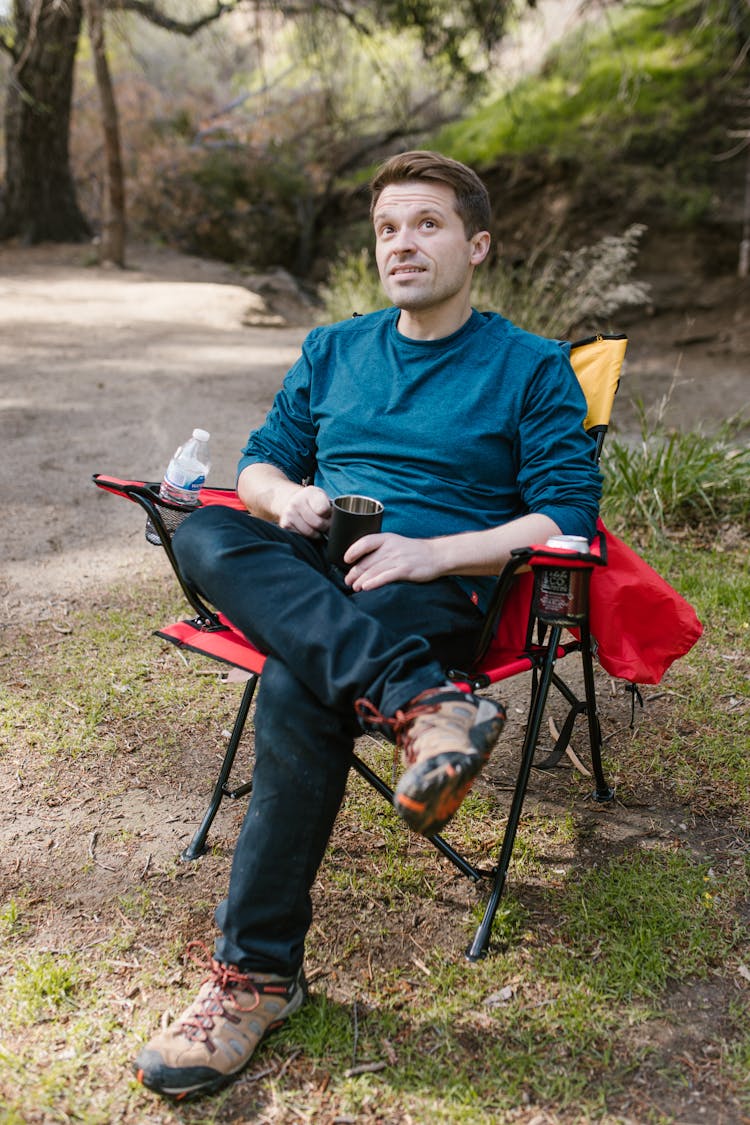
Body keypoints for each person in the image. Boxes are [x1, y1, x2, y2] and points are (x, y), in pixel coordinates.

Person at [134, 150, 601, 1100]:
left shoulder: (532, 366)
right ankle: (421, 701)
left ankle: (255, 978)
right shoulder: (334, 348)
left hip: (434, 585)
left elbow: (567, 518)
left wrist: (432, 553)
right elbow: (260, 460)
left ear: (476, 246)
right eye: (388, 227)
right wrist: (286, 496)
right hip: (322, 562)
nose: (403, 243)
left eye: (426, 224)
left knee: (302, 674)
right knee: (210, 529)